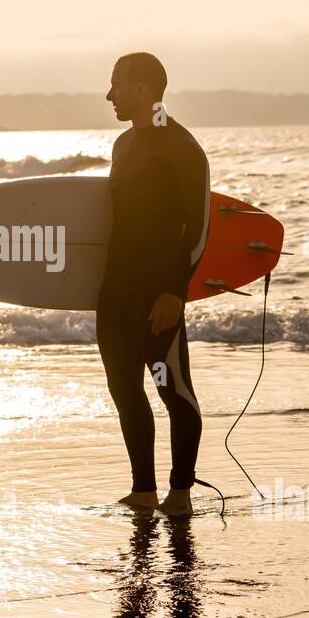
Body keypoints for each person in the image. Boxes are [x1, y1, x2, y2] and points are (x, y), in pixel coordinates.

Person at [98, 52, 211, 517]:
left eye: (117, 85)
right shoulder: (123, 146)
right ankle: (143, 490)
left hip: (156, 295)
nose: (109, 95)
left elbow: (200, 228)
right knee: (124, 390)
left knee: (174, 391)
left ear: (142, 89)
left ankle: (180, 493)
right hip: (116, 293)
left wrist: (176, 292)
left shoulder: (181, 146)